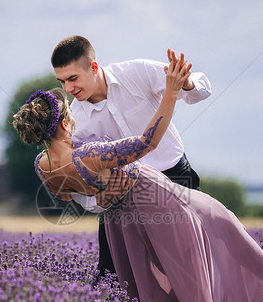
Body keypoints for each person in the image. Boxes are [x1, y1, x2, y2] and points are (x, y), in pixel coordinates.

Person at [13, 50, 263, 302]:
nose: (69, 92)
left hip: (120, 220)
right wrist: (171, 93)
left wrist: (98, 188)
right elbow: (147, 142)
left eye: (71, 80)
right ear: (66, 124)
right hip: (157, 197)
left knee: (151, 295)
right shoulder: (87, 155)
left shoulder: (43, 165)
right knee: (215, 241)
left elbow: (68, 197)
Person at [51, 36, 211, 282]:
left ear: (93, 67)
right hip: (124, 193)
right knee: (110, 275)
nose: (68, 89)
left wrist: (185, 82)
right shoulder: (76, 122)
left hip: (176, 177)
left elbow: (200, 91)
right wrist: (100, 200)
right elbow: (81, 182)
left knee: (201, 262)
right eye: (62, 81)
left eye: (73, 78)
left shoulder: (137, 72)